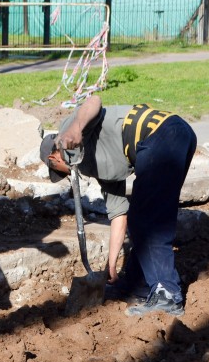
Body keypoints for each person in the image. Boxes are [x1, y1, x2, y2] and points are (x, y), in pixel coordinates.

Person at [40, 95, 197, 317]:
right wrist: (110, 264)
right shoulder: (95, 165)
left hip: (161, 135)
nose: (65, 175)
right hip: (176, 137)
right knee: (147, 214)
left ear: (54, 158)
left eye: (59, 172)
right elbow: (119, 214)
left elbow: (94, 100)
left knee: (146, 218)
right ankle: (137, 286)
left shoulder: (66, 133)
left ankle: (167, 294)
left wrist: (74, 129)